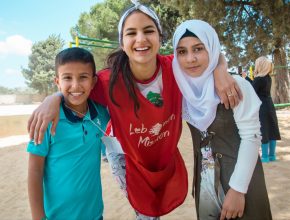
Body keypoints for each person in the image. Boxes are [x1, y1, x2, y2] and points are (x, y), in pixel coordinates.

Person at [27, 2, 242, 219]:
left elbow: (211, 55)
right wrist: (52, 98)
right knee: (146, 213)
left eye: (148, 31)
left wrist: (220, 70)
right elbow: (72, 89)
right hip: (129, 159)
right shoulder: (106, 82)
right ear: (122, 42)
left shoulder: (175, 67)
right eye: (131, 33)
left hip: (162, 155)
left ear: (160, 36)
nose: (141, 39)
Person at [172, 20, 272, 220]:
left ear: (211, 47)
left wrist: (238, 190)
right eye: (182, 52)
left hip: (241, 183)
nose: (190, 58)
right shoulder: (183, 89)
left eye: (198, 49)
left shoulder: (237, 85)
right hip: (205, 183)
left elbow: (251, 137)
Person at [27, 47, 109, 220]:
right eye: (67, 78)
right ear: (57, 81)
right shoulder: (46, 120)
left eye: (83, 77)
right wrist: (38, 217)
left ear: (93, 82)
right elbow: (35, 170)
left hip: (95, 215)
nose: (75, 85)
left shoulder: (102, 114)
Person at [252, 56, 281, 162]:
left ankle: (264, 157)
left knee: (264, 129)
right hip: (269, 105)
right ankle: (272, 155)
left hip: (262, 107)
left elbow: (252, 91)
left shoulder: (258, 79)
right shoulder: (268, 77)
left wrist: (245, 79)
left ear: (259, 65)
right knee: (272, 129)